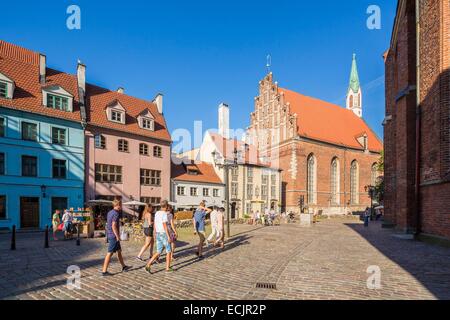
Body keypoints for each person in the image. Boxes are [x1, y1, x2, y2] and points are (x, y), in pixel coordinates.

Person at [101, 200, 131, 276]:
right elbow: (113, 225)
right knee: (110, 253)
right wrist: (117, 236)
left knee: (119, 251)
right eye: (120, 205)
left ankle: (123, 266)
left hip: (111, 234)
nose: (121, 207)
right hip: (114, 236)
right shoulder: (116, 214)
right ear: (117, 205)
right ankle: (104, 271)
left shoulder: (110, 212)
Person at [145, 200, 174, 273]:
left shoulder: (157, 213)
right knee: (169, 250)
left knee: (158, 251)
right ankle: (167, 268)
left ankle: (148, 264)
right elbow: (164, 225)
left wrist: (154, 232)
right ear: (166, 206)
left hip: (158, 233)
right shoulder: (164, 214)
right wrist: (168, 236)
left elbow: (154, 223)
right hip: (163, 233)